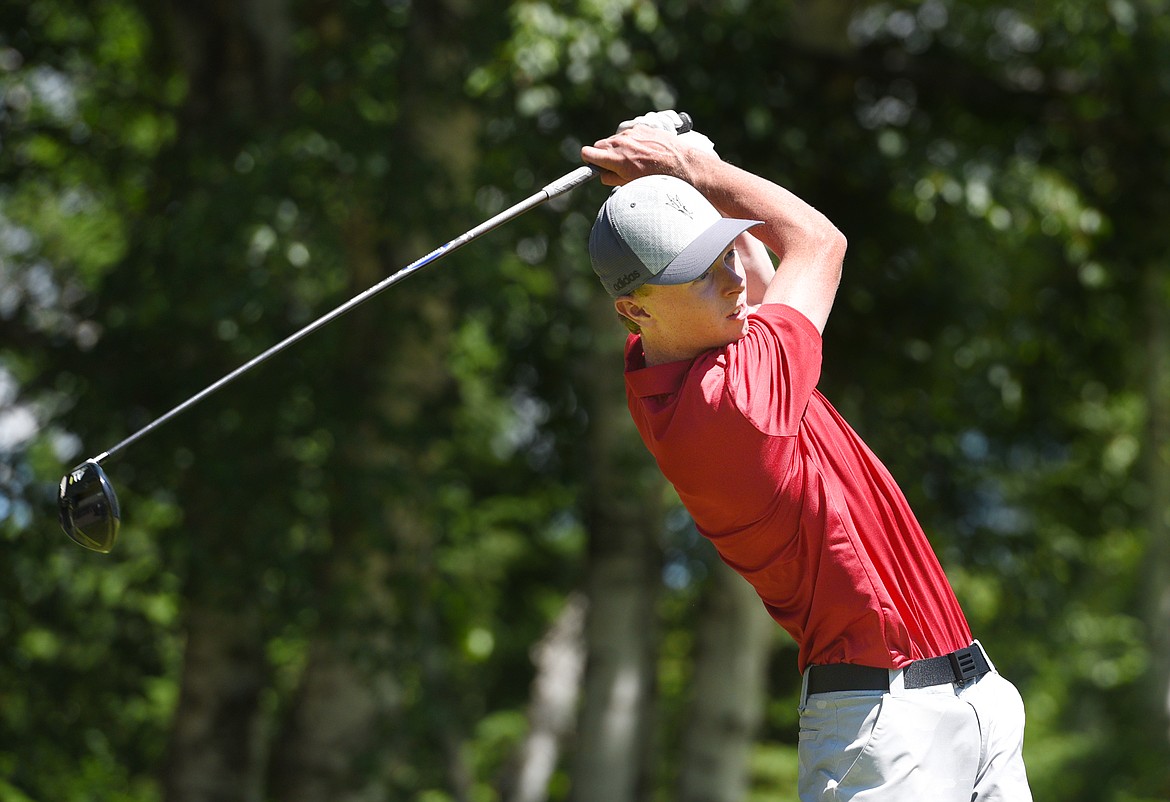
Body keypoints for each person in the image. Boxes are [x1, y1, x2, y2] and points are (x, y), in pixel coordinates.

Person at [580, 111, 1033, 801]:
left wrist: (692, 163)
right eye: (701, 272)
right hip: (883, 734)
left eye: (724, 253)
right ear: (633, 311)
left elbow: (758, 284)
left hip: (974, 700)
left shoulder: (691, 355)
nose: (731, 280)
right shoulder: (731, 409)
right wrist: (696, 171)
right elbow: (818, 243)